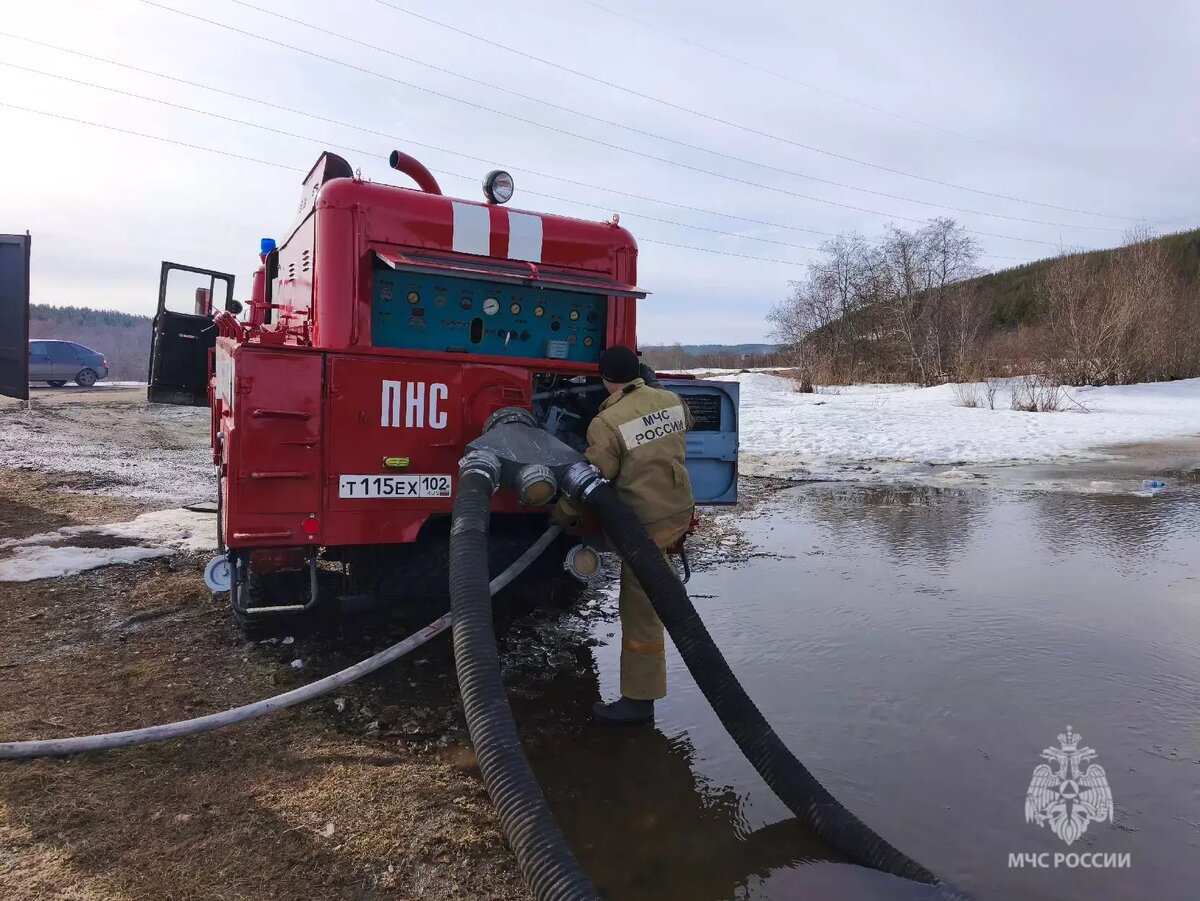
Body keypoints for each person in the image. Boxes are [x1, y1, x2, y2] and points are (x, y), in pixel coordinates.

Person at [557, 345, 694, 724]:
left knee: (640, 612)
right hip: (677, 509)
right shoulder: (671, 401)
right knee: (660, 589)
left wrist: (561, 515)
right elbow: (687, 422)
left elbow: (592, 479)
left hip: (643, 526)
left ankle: (639, 700)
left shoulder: (606, 422)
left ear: (604, 379)